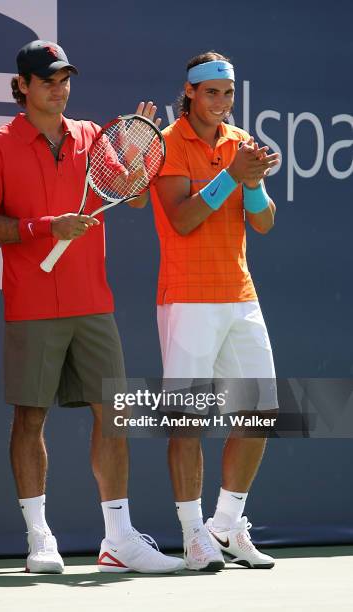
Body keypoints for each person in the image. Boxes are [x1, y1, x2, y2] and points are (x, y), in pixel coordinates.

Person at [0, 39, 184, 575]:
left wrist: (132, 158)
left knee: (114, 415)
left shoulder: (90, 136)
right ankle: (39, 536)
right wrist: (42, 228)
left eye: (65, 80)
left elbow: (129, 194)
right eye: (48, 81)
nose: (59, 89)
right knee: (29, 418)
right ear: (23, 86)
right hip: (32, 303)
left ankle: (118, 539)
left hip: (92, 302)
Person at [150, 51, 280, 571]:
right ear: (190, 93)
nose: (221, 104)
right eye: (211, 93)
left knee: (261, 413)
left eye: (227, 94)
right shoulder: (166, 144)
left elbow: (265, 222)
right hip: (186, 298)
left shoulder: (240, 142)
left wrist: (251, 183)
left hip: (240, 296)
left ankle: (225, 525)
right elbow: (181, 219)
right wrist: (232, 175)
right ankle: (192, 534)